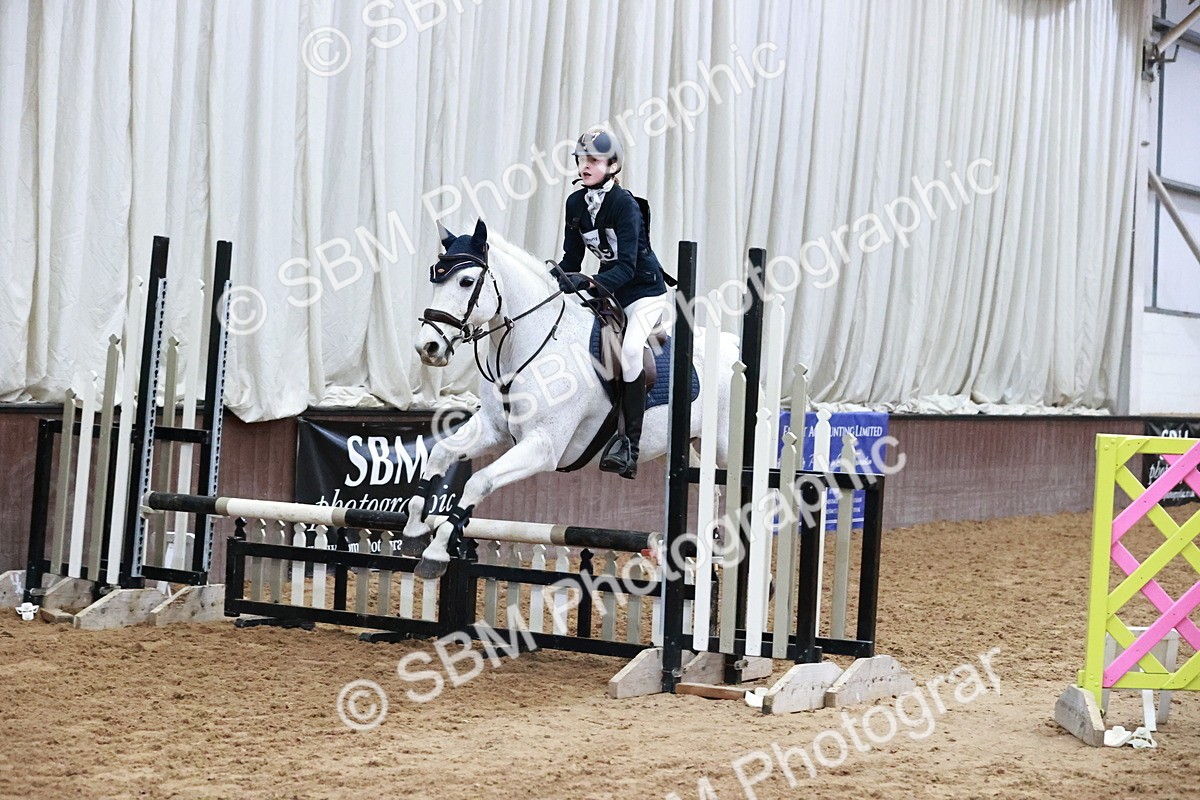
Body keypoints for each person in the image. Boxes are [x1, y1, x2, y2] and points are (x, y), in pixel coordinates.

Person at [554, 126, 670, 480]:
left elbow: (628, 265)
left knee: (632, 351)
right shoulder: (575, 203)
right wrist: (558, 280)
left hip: (644, 291)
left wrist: (591, 283)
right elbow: (571, 259)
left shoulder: (625, 205)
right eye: (581, 159)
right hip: (611, 291)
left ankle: (628, 445)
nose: (585, 166)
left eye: (593, 160)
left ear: (612, 165)